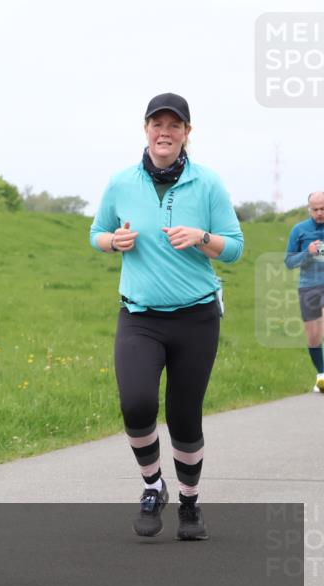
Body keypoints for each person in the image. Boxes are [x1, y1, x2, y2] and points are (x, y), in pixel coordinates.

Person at [89, 93, 244, 541]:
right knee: (136, 404)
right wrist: (112, 243)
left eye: (174, 126)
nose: (165, 132)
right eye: (157, 124)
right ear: (145, 130)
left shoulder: (207, 184)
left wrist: (202, 237)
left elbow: (234, 248)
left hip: (196, 318)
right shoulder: (121, 183)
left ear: (186, 134)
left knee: (184, 416)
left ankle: (191, 503)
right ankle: (153, 486)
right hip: (139, 315)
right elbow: (96, 234)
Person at [284, 191, 324, 392]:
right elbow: (289, 262)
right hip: (308, 286)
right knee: (313, 336)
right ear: (309, 208)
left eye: (323, 208)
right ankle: (321, 374)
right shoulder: (299, 230)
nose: (319, 213)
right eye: (315, 209)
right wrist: (307, 254)